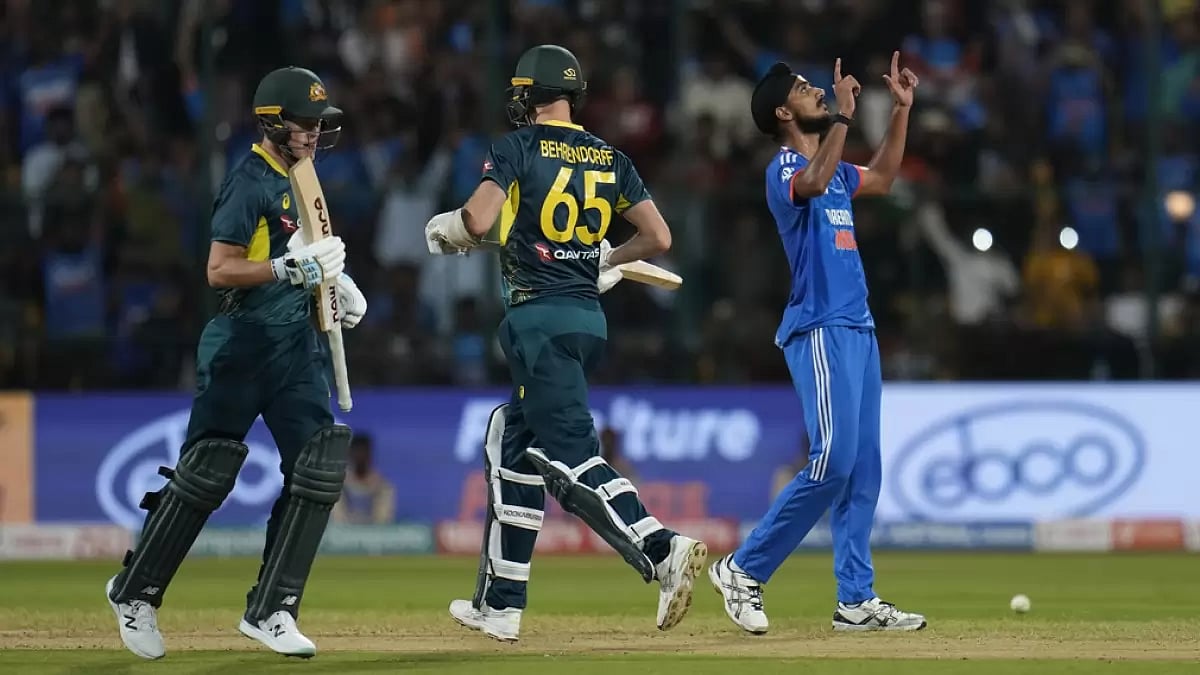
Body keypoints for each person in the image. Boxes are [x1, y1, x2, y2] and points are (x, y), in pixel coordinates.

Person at [424, 44, 707, 642]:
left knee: (569, 456)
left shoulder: (517, 147)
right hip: (585, 319)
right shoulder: (611, 156)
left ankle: (662, 550)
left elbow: (478, 220)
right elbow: (656, 235)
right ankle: (499, 604)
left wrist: (450, 228)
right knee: (511, 440)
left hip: (538, 321)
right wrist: (607, 256)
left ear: (529, 96)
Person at [104, 66, 367, 660]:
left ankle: (273, 609)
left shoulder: (305, 178)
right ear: (274, 122)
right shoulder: (249, 180)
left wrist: (333, 288)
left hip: (295, 347)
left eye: (321, 126)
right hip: (241, 345)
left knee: (319, 467)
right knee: (207, 472)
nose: (315, 135)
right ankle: (135, 592)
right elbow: (220, 269)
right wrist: (285, 272)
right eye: (306, 125)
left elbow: (304, 255)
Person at [708, 53, 927, 633]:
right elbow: (812, 181)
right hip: (820, 327)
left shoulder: (831, 166)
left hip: (859, 327)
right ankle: (743, 569)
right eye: (805, 90)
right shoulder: (784, 168)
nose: (818, 92)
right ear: (784, 112)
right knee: (831, 460)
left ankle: (856, 599)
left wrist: (901, 112)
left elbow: (879, 178)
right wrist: (845, 121)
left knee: (863, 471)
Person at [331, 433, 396, 524]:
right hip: (344, 532)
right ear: (350, 454)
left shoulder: (382, 485)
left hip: (373, 533)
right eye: (357, 452)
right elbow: (338, 518)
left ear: (370, 454)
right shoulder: (338, 484)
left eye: (364, 452)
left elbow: (383, 518)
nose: (360, 456)